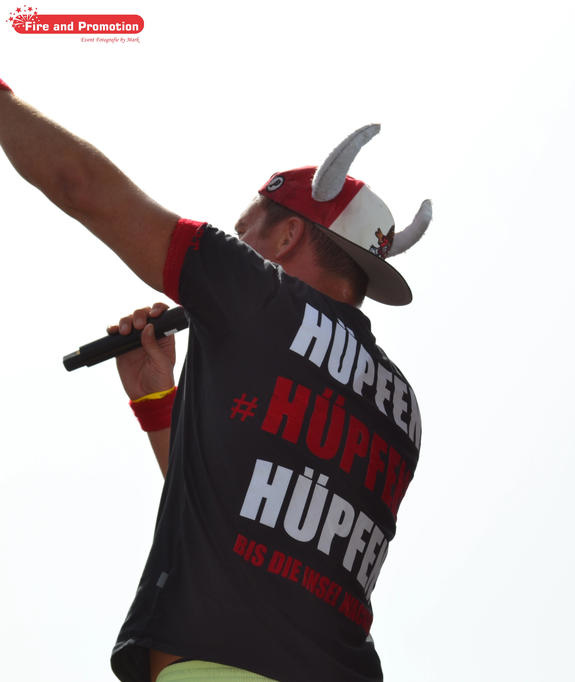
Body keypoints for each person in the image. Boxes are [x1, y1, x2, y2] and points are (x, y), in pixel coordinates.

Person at [0, 78, 430, 682]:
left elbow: (81, 185)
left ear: (288, 235)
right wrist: (159, 402)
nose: (240, 242)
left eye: (246, 228)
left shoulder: (256, 295)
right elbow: (235, 506)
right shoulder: (403, 407)